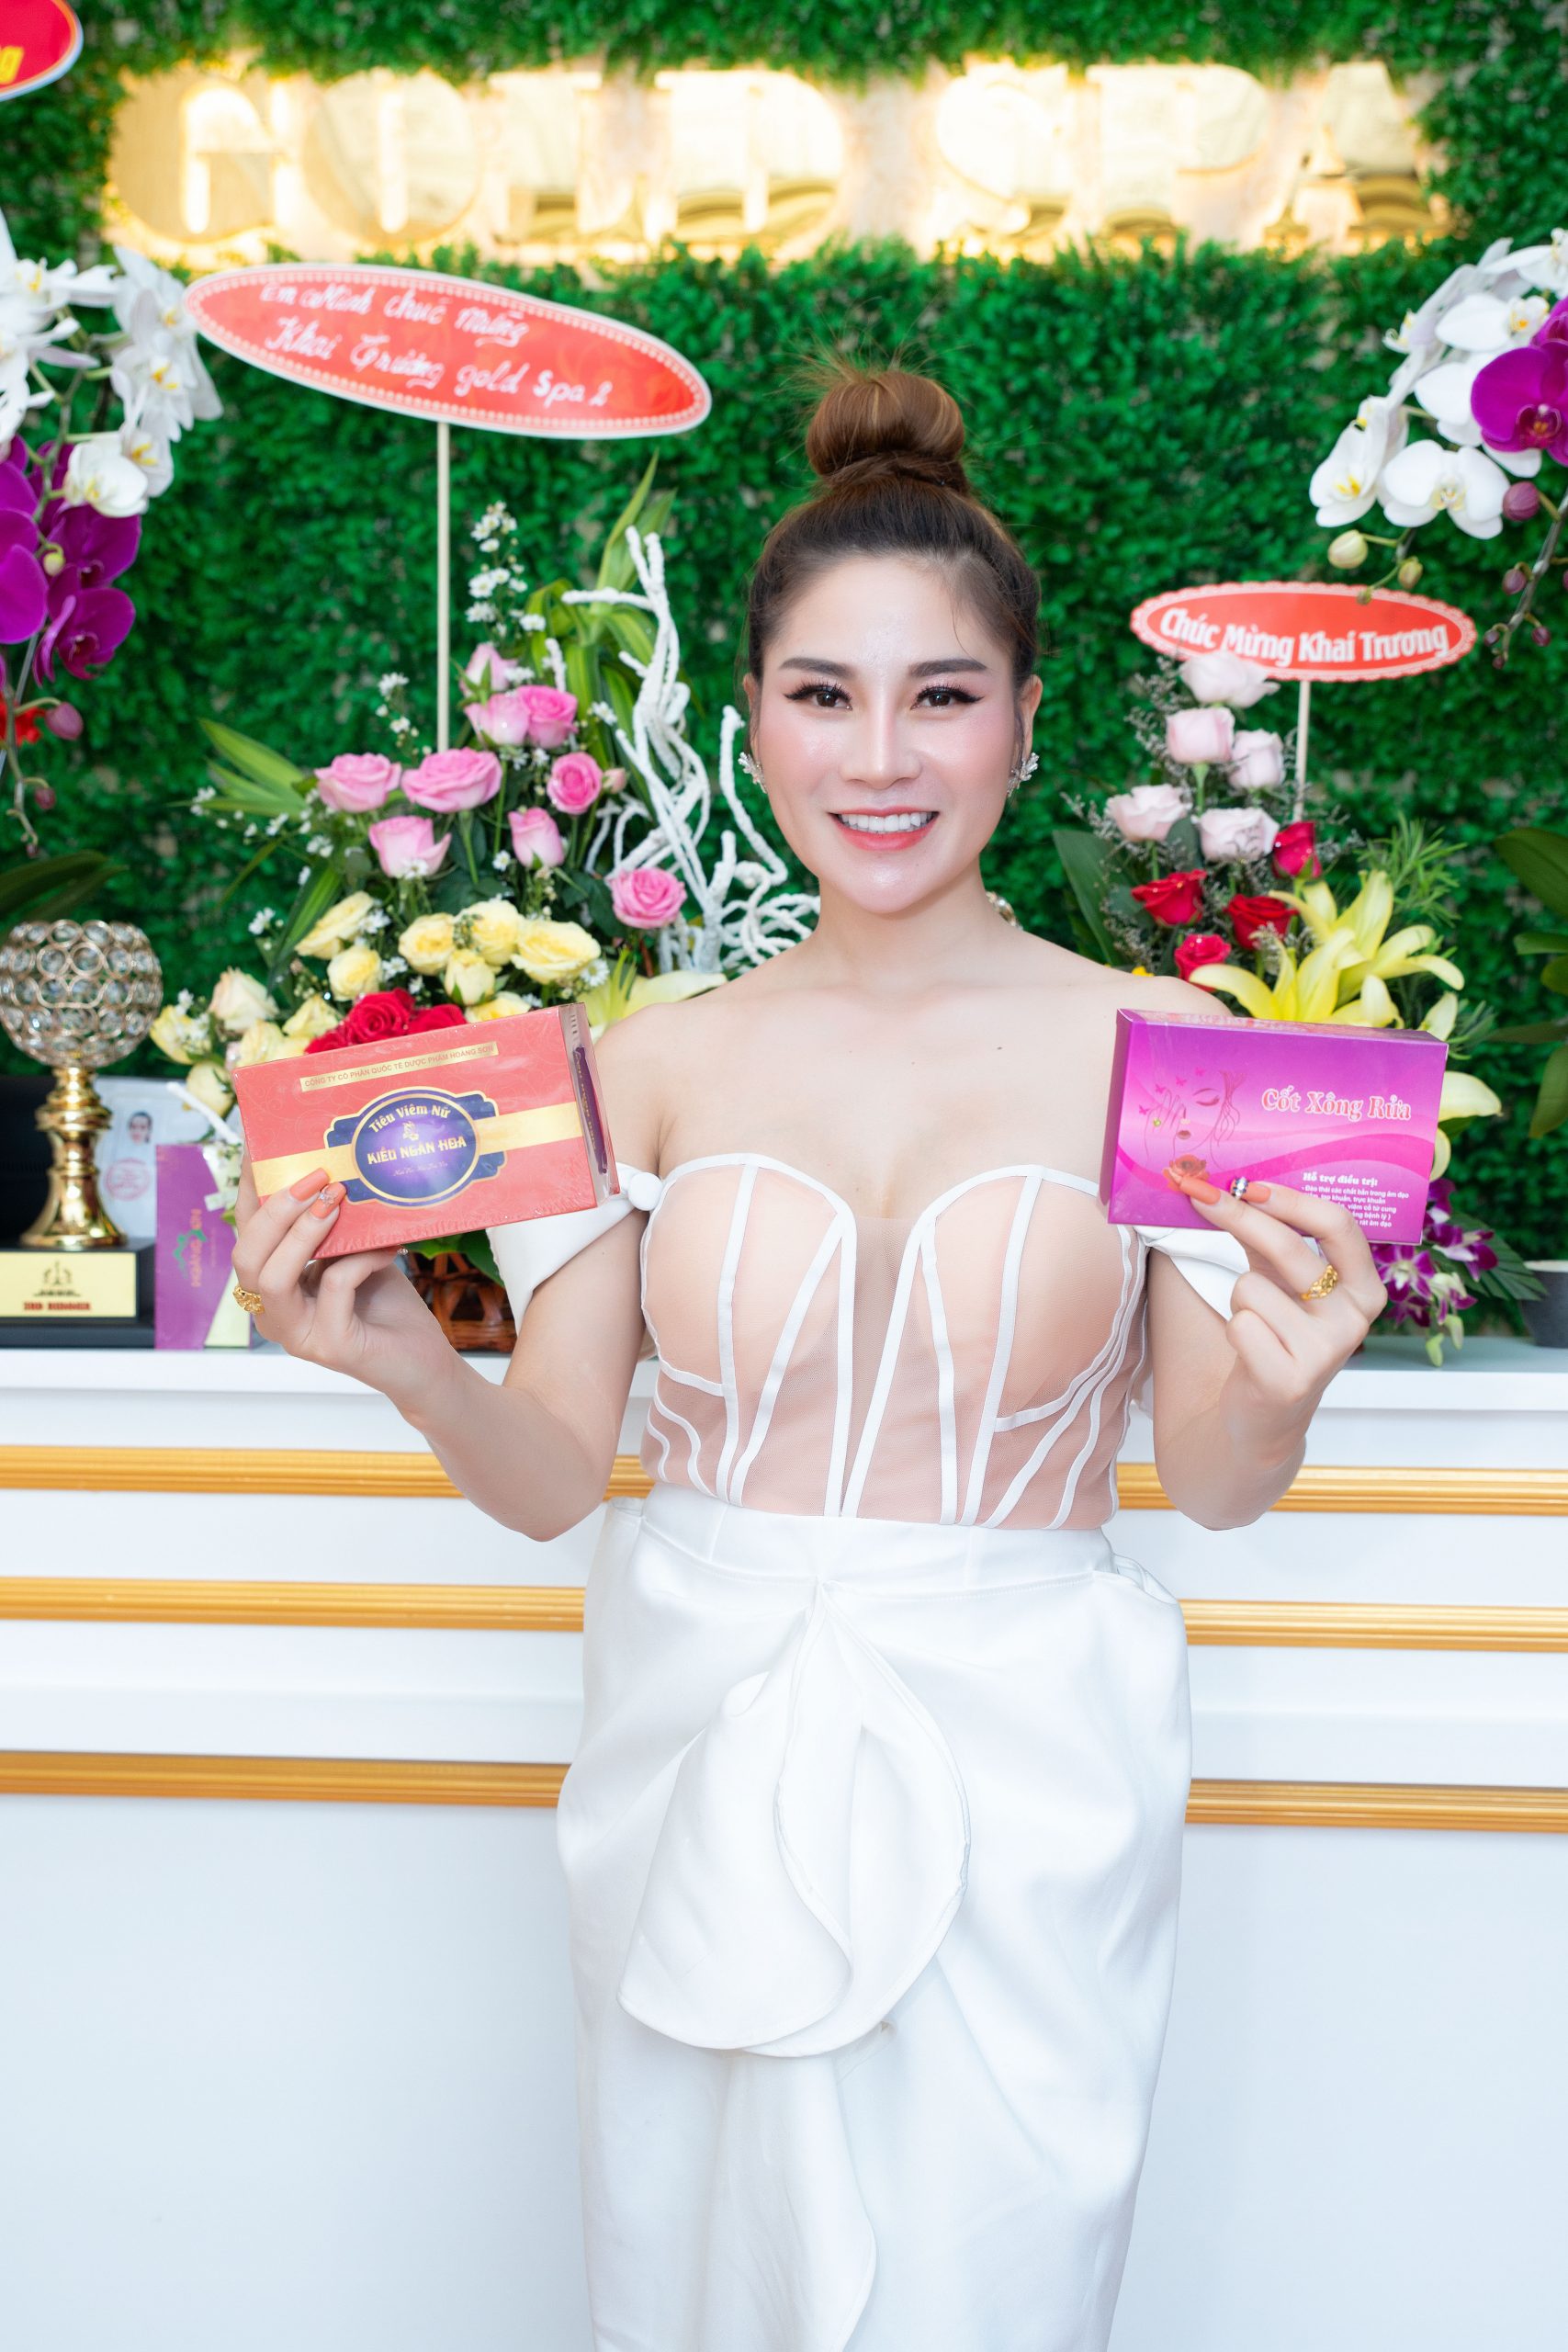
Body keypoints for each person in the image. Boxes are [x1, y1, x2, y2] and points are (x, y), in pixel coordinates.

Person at [231, 360, 1388, 2352]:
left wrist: (1284, 1386)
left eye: (941, 695)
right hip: (697, 1742)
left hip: (1032, 1766)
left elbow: (1209, 1478)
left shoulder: (1181, 1051)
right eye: (824, 695)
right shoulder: (644, 1063)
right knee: (702, 2285)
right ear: (754, 720)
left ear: (1027, 721)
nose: (882, 756)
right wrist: (406, 1363)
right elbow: (553, 1472)